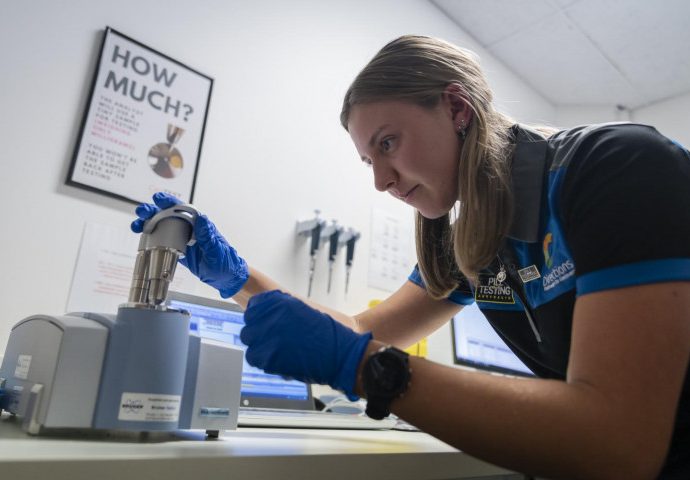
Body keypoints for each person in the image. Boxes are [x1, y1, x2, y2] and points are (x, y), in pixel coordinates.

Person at [132, 35, 690, 479]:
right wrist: (237, 278)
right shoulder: (475, 237)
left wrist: (372, 371)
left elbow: (622, 447)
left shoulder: (614, 170)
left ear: (455, 108)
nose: (380, 181)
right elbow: (361, 328)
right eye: (367, 159)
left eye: (388, 143)